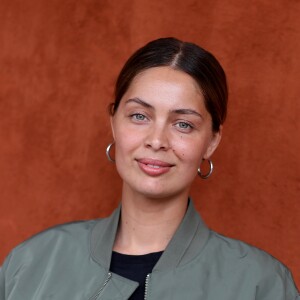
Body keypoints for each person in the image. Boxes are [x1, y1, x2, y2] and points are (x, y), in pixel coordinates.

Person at [0, 37, 298, 300]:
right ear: (114, 122)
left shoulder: (262, 284)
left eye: (183, 124)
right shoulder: (32, 262)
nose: (157, 141)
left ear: (211, 141)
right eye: (140, 116)